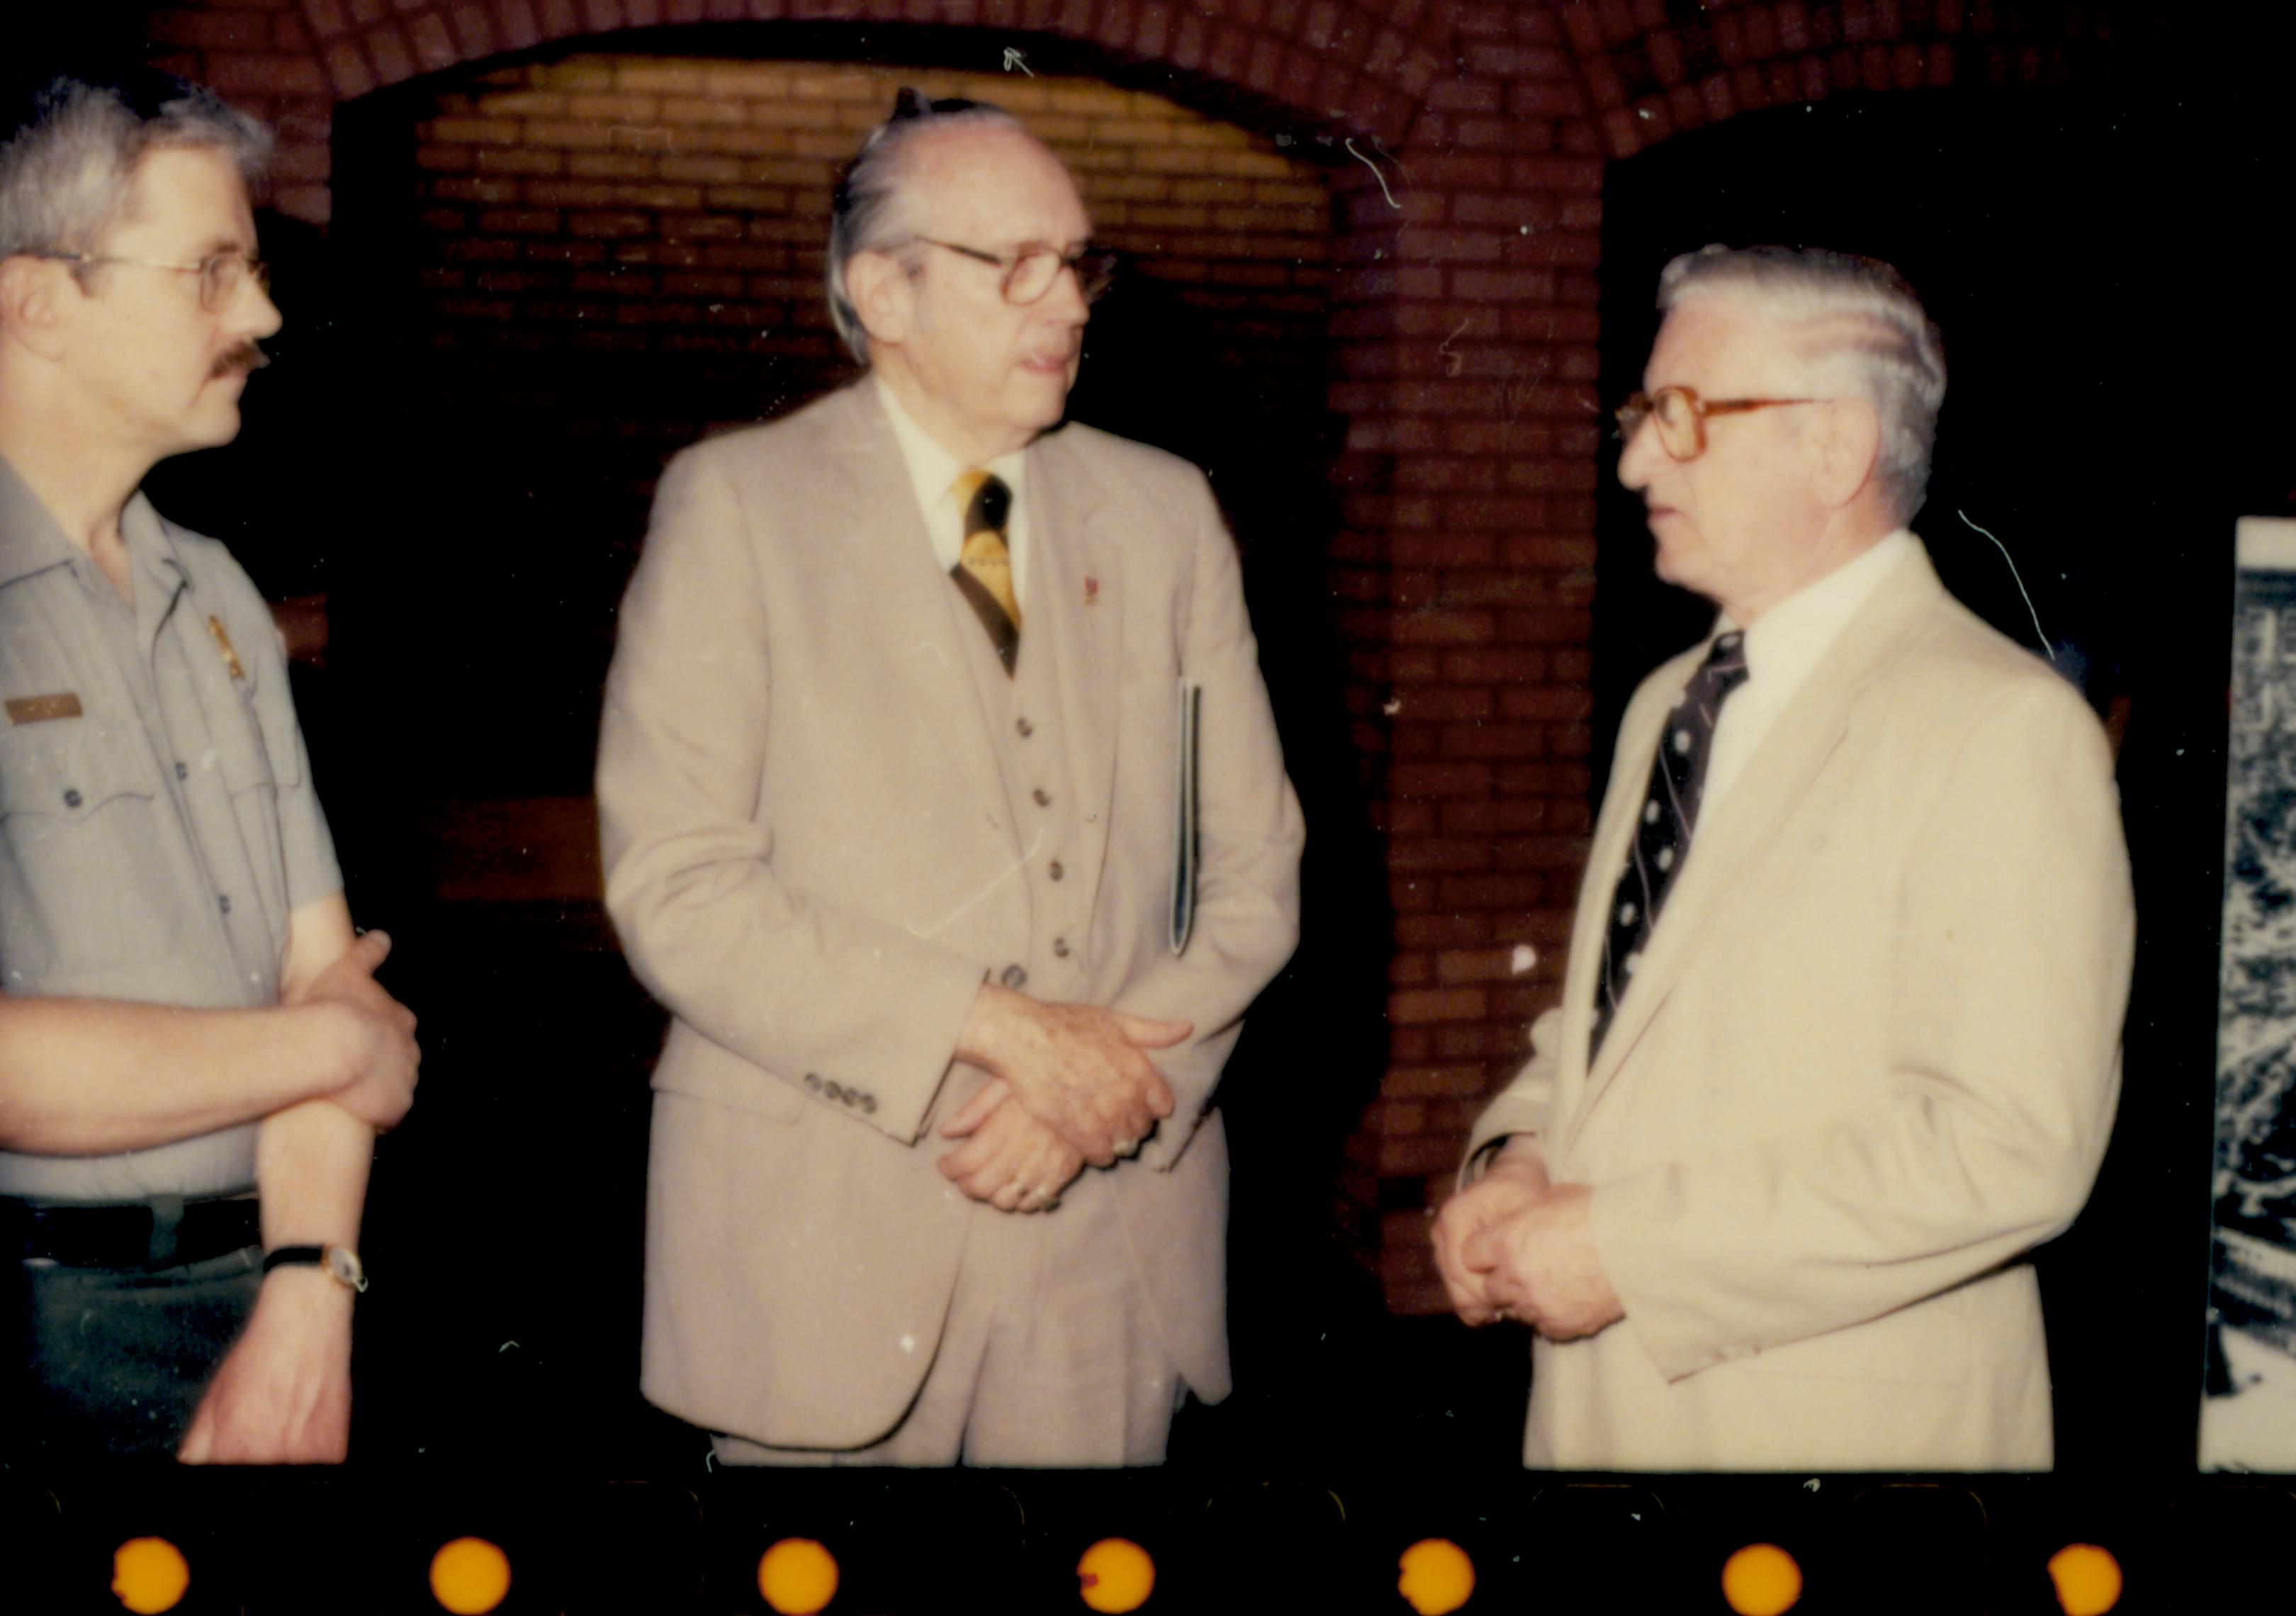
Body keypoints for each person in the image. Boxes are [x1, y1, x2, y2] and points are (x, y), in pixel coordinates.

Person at [596, 89, 1303, 1466]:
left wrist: (1094, 1099)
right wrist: (997, 1033)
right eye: (1014, 265)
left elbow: (1253, 872)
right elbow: (679, 889)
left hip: (1110, 1234)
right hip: (824, 1246)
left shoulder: (1166, 514)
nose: (1070, 304)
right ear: (884, 291)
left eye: (1079, 262)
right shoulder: (736, 506)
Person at [1431, 245, 2134, 1470]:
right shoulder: (1671, 700)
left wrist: (1629, 1251)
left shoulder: (2001, 728)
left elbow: (2010, 1145)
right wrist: (1523, 1150)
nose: (1639, 457)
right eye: (1643, 413)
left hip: (1838, 1448)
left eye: (1685, 415)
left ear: (1835, 448)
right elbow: (1624, 1021)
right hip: (1606, 1418)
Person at [0, 72, 419, 1462]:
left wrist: (310, 1298)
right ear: (38, 301)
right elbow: (339, 1030)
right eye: (212, 274)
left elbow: (326, 979)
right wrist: (325, 1045)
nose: (262, 316)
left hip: (267, 1293)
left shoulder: (221, 593)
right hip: (33, 1328)